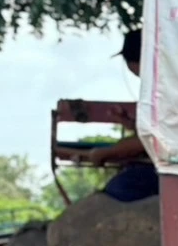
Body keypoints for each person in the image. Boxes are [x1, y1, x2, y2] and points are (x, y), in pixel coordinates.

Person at [59, 28, 158, 202]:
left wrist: (105, 152)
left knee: (119, 190)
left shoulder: (167, 89)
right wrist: (129, 124)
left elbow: (151, 139)